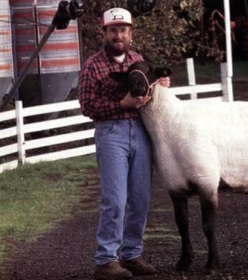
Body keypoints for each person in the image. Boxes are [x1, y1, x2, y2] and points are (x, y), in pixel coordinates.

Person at [78, 7, 170, 280]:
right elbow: (87, 106)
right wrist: (122, 103)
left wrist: (162, 82)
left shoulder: (138, 59)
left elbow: (151, 88)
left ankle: (131, 254)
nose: (119, 35)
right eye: (113, 30)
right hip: (111, 132)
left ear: (131, 33)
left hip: (140, 131)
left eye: (123, 30)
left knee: (140, 198)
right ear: (104, 32)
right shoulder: (93, 65)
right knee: (115, 199)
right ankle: (106, 260)